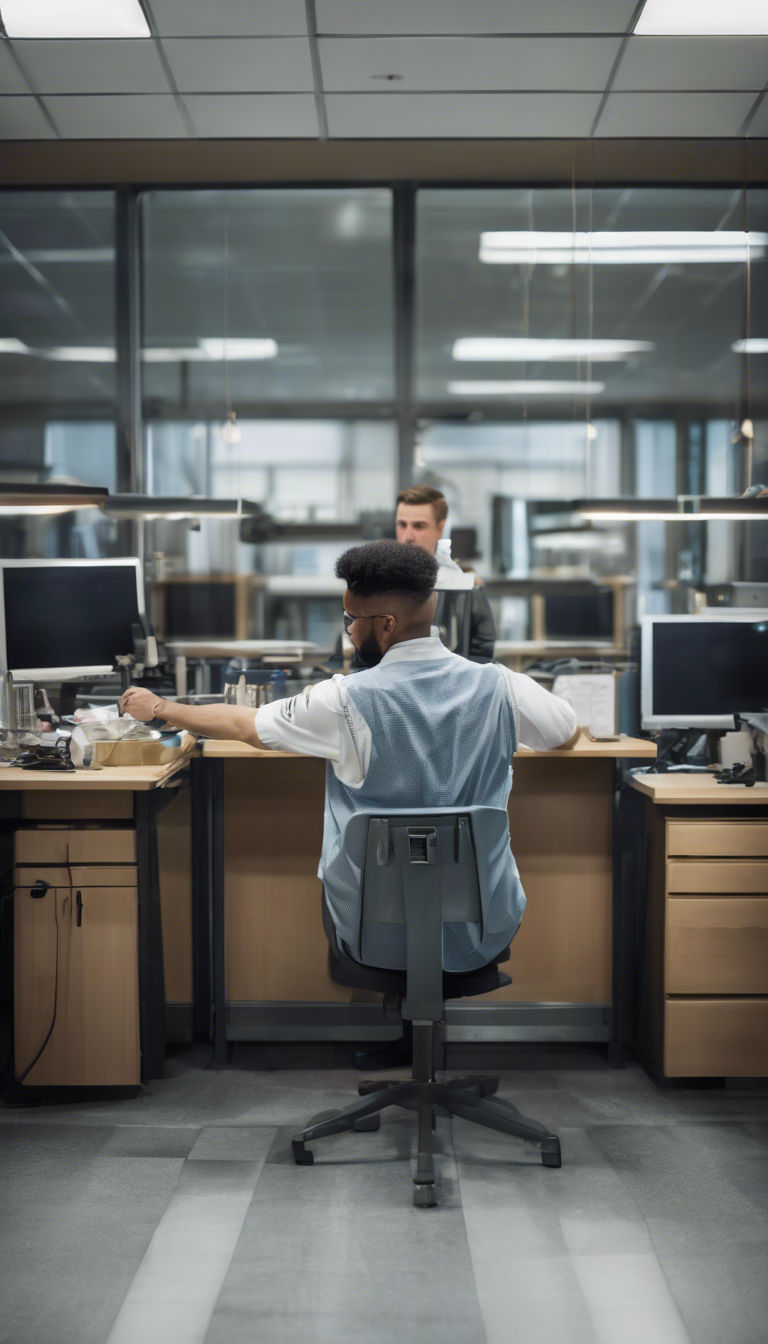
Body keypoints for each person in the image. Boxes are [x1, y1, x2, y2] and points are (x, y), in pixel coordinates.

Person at [121, 541, 579, 982]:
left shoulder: (342, 700)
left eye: (350, 619)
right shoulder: (502, 686)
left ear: (386, 624)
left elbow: (247, 725)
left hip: (371, 928)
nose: (347, 630)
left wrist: (161, 708)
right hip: (483, 922)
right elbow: (564, 732)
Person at [395, 484, 496, 662]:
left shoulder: (463, 586)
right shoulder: (378, 584)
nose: (407, 536)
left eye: (419, 526)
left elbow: (482, 650)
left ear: (440, 528)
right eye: (402, 525)